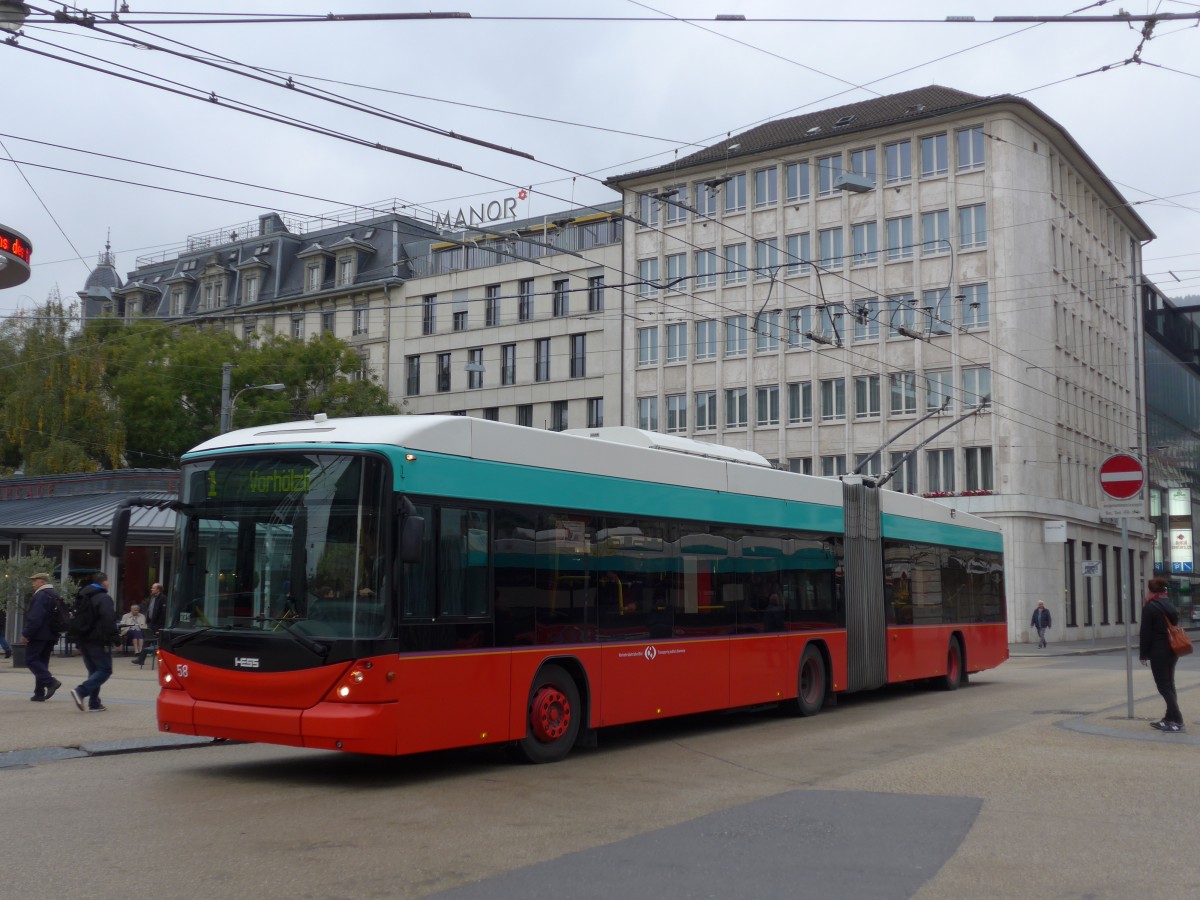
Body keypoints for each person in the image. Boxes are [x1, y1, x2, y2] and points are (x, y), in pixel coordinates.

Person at [1140, 576, 1185, 734]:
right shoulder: (1169, 604)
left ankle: (1177, 720)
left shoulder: (1150, 607)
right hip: (1173, 649)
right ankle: (1168, 718)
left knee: (1163, 686)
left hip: (1158, 650)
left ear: (1151, 590)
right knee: (1170, 684)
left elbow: (1145, 633)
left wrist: (1143, 654)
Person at [70, 572, 118, 713]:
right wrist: (115, 638)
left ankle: (94, 703)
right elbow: (109, 619)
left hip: (84, 639)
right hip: (98, 640)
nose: (109, 584)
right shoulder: (104, 598)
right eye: (108, 581)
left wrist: (78, 643)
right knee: (104, 670)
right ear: (104, 583)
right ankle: (81, 691)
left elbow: (77, 620)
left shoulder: (82, 597)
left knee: (93, 671)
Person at [20, 573, 62, 702]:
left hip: (39, 634)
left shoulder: (41, 595)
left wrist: (27, 633)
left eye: (35, 581)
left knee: (30, 659)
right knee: (42, 662)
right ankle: (39, 693)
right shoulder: (54, 594)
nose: (33, 584)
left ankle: (51, 682)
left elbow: (36, 617)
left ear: (43, 582)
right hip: (52, 634)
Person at [131, 583, 166, 666]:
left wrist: (159, 625)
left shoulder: (163, 598)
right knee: (147, 640)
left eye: (153, 588)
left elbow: (163, 613)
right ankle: (141, 659)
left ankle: (163, 661)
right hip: (151, 623)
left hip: (158, 624)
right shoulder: (152, 597)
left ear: (158, 589)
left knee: (160, 643)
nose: (151, 589)